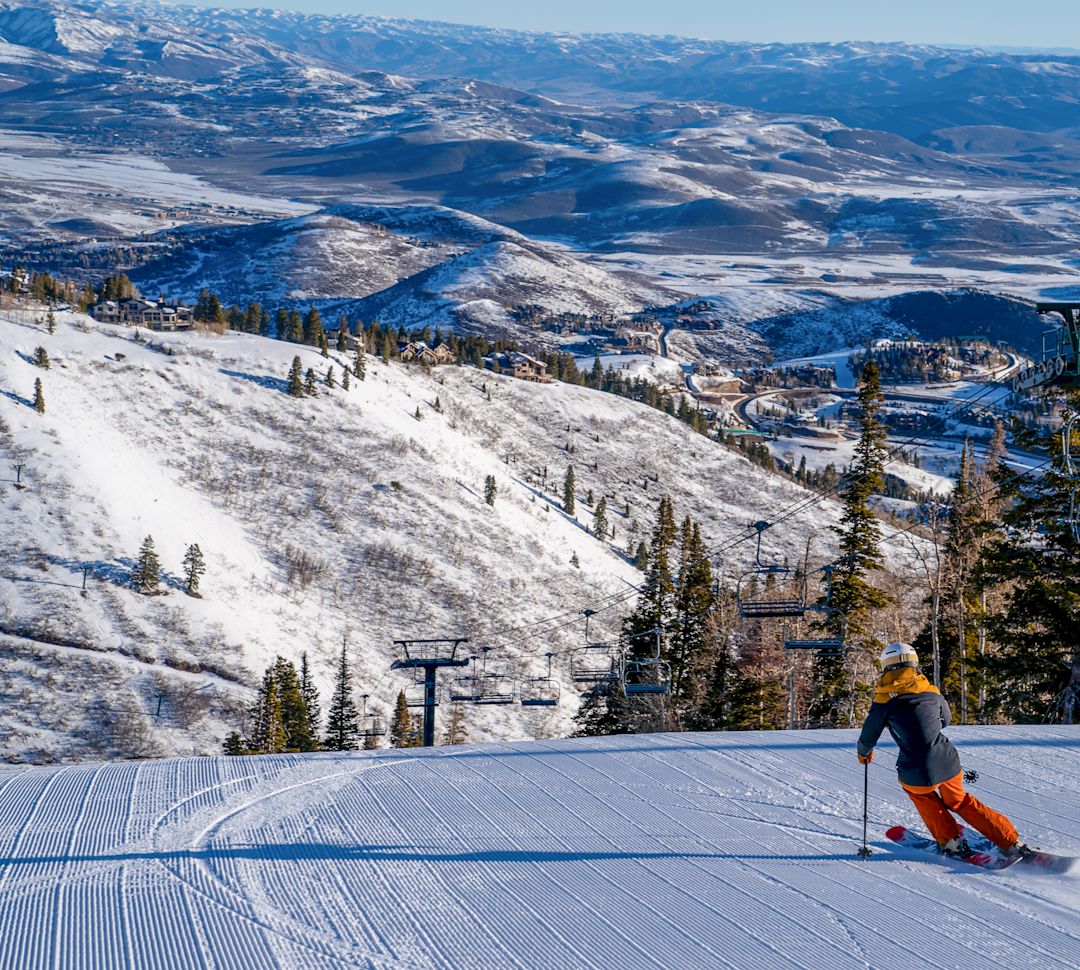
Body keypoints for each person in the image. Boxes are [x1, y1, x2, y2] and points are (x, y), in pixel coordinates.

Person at [857, 641, 1034, 859]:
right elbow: (945, 720)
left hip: (916, 769)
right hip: (948, 760)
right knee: (959, 800)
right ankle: (1010, 841)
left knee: (922, 795)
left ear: (886, 667)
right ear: (915, 664)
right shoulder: (931, 692)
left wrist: (864, 752)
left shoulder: (883, 700)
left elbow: (868, 736)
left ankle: (951, 841)